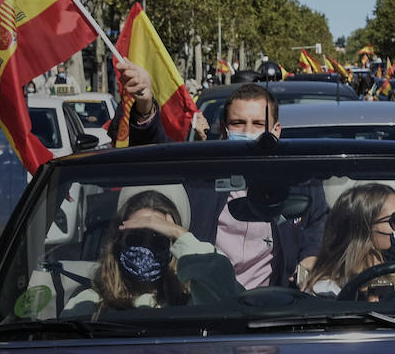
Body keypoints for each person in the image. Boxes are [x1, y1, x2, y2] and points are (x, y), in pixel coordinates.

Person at [188, 82, 329, 289]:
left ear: (276, 130)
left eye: (258, 124)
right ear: (224, 129)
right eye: (238, 123)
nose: (248, 131)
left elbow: (318, 219)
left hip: (273, 307)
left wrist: (310, 256)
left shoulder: (301, 182)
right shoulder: (201, 184)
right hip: (209, 306)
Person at [64, 189, 237, 317]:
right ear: (118, 241)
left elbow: (226, 289)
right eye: (136, 237)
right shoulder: (89, 305)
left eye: (158, 238)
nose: (146, 246)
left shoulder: (195, 303)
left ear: (174, 246)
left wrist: (180, 235)